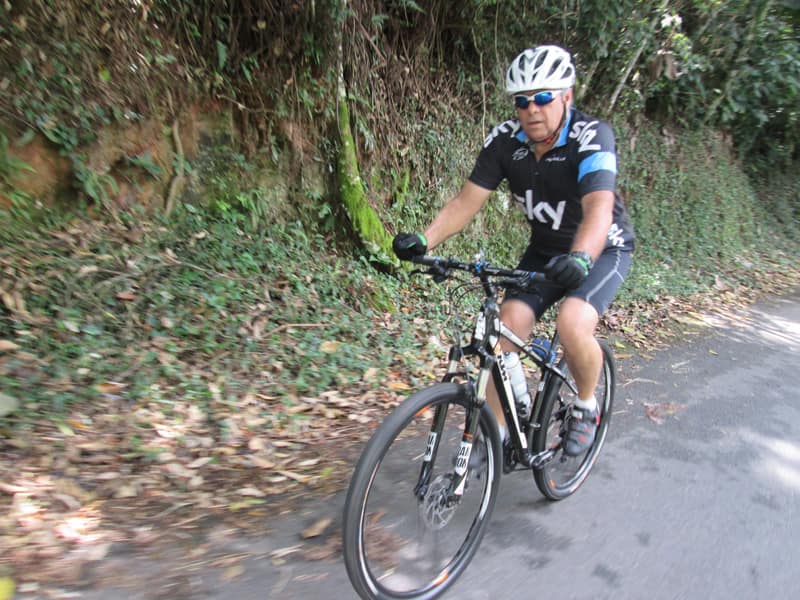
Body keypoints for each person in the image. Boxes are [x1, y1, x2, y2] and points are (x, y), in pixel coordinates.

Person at [392, 45, 635, 456]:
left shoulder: (592, 137)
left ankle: (585, 406)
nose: (532, 109)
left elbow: (598, 209)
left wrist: (581, 257)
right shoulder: (506, 141)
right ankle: (500, 437)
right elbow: (466, 201)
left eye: (543, 97)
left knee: (572, 324)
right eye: (522, 101)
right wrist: (425, 240)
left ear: (567, 96)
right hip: (545, 250)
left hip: (601, 248)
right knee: (504, 330)